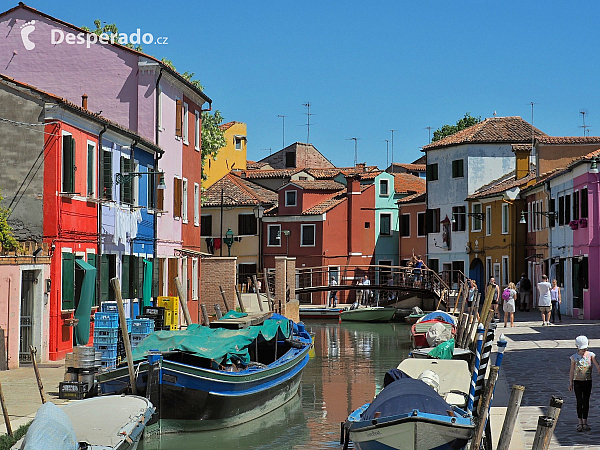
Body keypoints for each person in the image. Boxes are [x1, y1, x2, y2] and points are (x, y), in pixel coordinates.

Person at [569, 335, 600, 432]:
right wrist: (570, 383)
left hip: (587, 381)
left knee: (586, 401)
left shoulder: (591, 355)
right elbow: (572, 370)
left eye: (585, 348)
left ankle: (585, 421)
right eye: (582, 349)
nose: (584, 351)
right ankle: (579, 422)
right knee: (579, 401)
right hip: (577, 381)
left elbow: (597, 366)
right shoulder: (574, 357)